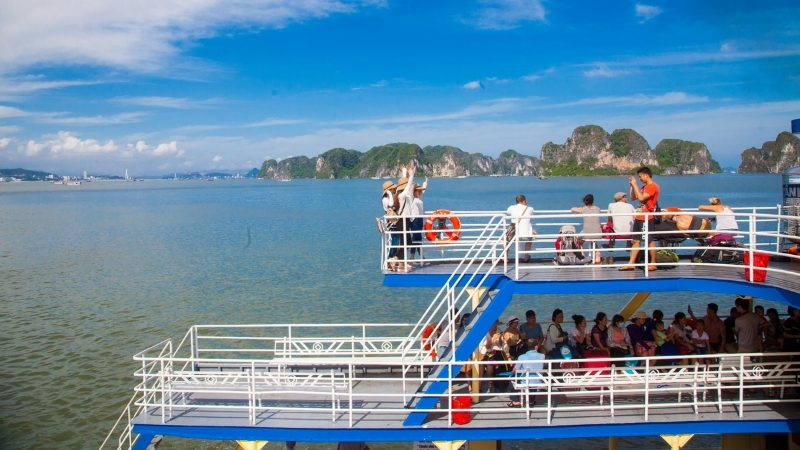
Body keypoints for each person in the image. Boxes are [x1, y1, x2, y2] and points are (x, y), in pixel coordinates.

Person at [620, 166, 659, 271]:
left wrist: (635, 185)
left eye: (640, 177)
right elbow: (633, 197)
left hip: (647, 217)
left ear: (646, 175)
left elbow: (641, 198)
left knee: (649, 241)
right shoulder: (643, 188)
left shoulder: (653, 186)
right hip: (639, 217)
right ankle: (631, 263)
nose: (640, 179)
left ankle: (653, 263)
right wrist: (632, 186)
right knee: (636, 240)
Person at [392, 162, 417, 272]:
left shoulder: (398, 195)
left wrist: (404, 172)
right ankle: (396, 259)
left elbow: (405, 184)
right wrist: (411, 173)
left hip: (401, 221)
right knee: (405, 242)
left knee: (405, 242)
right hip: (403, 221)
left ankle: (400, 262)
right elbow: (408, 184)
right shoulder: (402, 195)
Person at [508, 338, 545, 408]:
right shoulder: (542, 356)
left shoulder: (521, 357)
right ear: (536, 346)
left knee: (512, 379)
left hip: (525, 381)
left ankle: (516, 401)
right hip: (538, 380)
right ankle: (531, 400)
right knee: (533, 379)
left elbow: (516, 370)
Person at [571, 194, 602, 264]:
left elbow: (572, 209)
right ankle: (597, 253)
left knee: (578, 241)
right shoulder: (597, 209)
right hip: (598, 232)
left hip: (587, 232)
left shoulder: (583, 209)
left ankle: (582, 255)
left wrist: (579, 208)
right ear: (593, 201)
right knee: (593, 240)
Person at [506, 195, 535, 263]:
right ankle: (526, 256)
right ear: (524, 201)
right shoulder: (529, 209)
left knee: (506, 240)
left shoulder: (511, 208)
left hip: (514, 231)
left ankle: (506, 256)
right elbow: (532, 213)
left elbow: (508, 212)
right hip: (525, 232)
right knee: (529, 239)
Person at [409, 180, 427, 263]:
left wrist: (425, 182)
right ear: (414, 191)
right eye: (418, 191)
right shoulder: (411, 199)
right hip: (415, 220)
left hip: (420, 220)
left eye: (420, 191)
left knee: (417, 238)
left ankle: (415, 257)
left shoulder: (418, 198)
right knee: (416, 238)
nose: (420, 193)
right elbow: (409, 191)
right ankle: (418, 256)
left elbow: (423, 190)